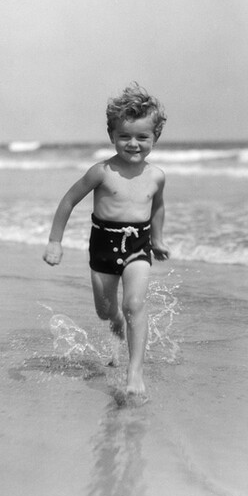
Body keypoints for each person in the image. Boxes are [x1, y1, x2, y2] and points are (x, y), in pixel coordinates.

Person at [43, 83, 170, 402]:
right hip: (103, 244)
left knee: (134, 305)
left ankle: (134, 372)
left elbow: (157, 207)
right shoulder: (101, 171)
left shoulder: (156, 176)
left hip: (137, 246)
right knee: (105, 309)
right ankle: (114, 322)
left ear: (155, 138)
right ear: (112, 135)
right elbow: (68, 201)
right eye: (125, 136)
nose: (133, 143)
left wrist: (157, 239)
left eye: (143, 137)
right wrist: (55, 241)